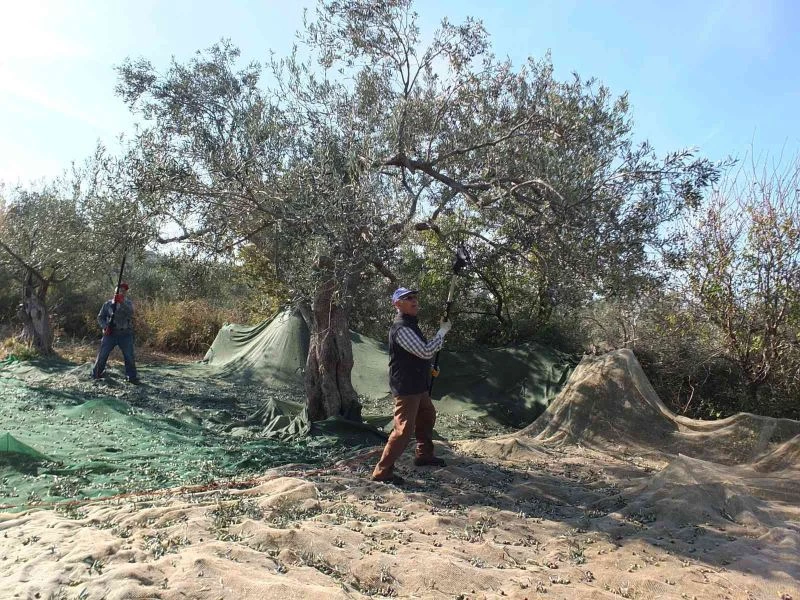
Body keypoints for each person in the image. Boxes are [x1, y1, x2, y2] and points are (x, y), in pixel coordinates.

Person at [372, 287, 453, 485]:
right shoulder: (402, 328)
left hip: (418, 384)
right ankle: (382, 472)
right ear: (397, 304)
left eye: (415, 297)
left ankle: (424, 454)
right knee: (403, 430)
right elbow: (425, 351)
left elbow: (419, 355)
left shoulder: (411, 325)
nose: (414, 300)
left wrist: (429, 366)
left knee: (427, 415)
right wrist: (442, 332)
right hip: (407, 387)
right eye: (408, 298)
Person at [91, 282, 140, 384]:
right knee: (102, 355)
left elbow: (131, 313)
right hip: (110, 335)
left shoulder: (129, 303)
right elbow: (100, 317)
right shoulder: (107, 304)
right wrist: (105, 327)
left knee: (129, 356)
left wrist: (122, 302)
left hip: (125, 335)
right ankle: (96, 374)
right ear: (115, 291)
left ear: (126, 292)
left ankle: (131, 377)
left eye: (124, 291)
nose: (121, 292)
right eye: (120, 290)